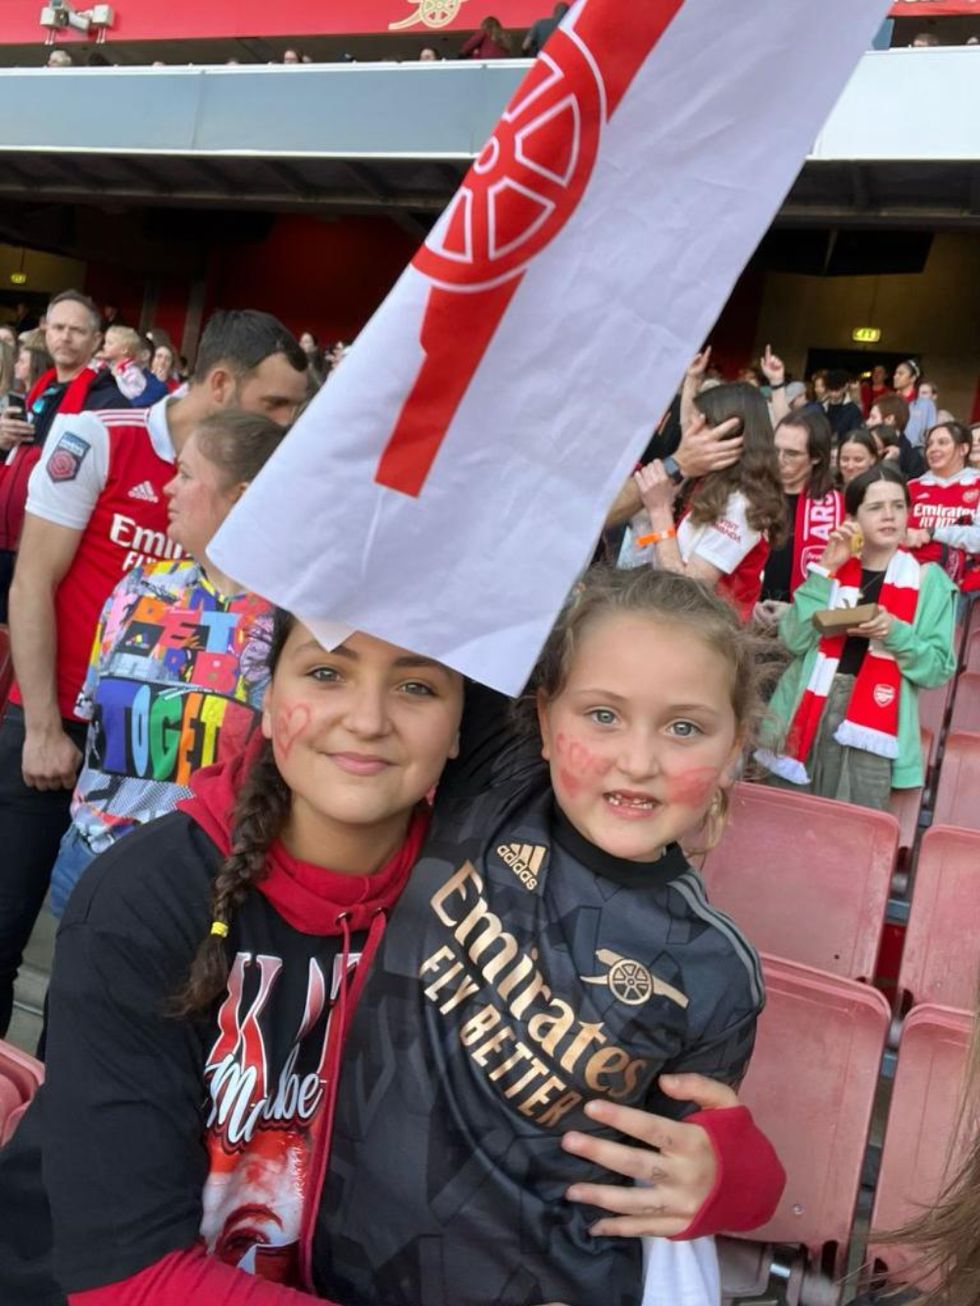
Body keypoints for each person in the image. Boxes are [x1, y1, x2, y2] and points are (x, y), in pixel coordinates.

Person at [0, 588, 784, 1304]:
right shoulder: (147, 896)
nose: (369, 718)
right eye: (326, 673)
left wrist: (734, 1181)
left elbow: (685, 1153)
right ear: (269, 702)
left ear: (460, 727)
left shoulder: (469, 863)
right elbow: (125, 1279)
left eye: (416, 686)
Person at [320, 566, 782, 1304]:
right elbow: (485, 555)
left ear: (735, 750)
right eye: (602, 715)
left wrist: (731, 1178)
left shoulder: (715, 972)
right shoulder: (495, 777)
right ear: (541, 719)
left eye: (685, 727)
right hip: (327, 1261)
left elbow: (686, 1168)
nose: (639, 761)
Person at [0, 309, 308, 1037]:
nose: (289, 424)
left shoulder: (270, 603)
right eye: (274, 404)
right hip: (58, 727)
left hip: (169, 787)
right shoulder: (100, 438)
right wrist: (43, 726)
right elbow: (32, 581)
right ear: (224, 383)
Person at [48, 409, 287, 918]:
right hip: (86, 864)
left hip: (200, 890)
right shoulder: (138, 589)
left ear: (241, 498)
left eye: (185, 474)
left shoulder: (291, 623)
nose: (166, 490)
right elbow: (96, 722)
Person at [758, 464, 956, 810]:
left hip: (875, 719)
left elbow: (937, 668)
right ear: (853, 517)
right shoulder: (833, 567)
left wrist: (894, 632)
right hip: (807, 706)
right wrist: (823, 570)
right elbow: (793, 640)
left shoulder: (927, 579)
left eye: (898, 506)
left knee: (849, 834)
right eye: (876, 507)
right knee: (785, 823)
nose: (890, 515)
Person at [0, 290, 130, 620]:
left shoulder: (109, 402)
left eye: (77, 330)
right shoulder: (41, 387)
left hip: (51, 550)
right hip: (9, 536)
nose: (65, 337)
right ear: (46, 330)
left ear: (97, 339)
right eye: (58, 328)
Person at [629, 382, 786, 620]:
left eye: (700, 426)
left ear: (728, 434)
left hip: (701, 639)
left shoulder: (745, 503)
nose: (690, 435)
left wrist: (659, 511)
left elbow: (687, 592)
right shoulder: (712, 482)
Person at [755, 408, 844, 619]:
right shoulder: (753, 494)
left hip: (801, 623)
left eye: (792, 453)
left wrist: (796, 613)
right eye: (775, 450)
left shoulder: (837, 508)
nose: (779, 459)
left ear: (816, 458)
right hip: (748, 613)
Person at [906, 420, 980, 593]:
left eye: (943, 442)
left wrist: (933, 532)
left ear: (963, 449)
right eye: (929, 444)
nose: (933, 449)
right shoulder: (911, 488)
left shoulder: (977, 484)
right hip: (908, 578)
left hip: (963, 588)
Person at [99, 324, 169, 406]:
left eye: (133, 350)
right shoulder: (106, 369)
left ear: (145, 355)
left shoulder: (156, 388)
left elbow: (131, 407)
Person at [868, 392, 926, 479]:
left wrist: (889, 464)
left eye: (873, 417)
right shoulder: (865, 445)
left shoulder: (913, 456)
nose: (868, 422)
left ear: (889, 419)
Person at [893, 359, 937, 450]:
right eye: (895, 373)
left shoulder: (921, 401)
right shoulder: (891, 399)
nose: (895, 376)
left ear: (912, 378)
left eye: (901, 374)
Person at [822, 368, 864, 441]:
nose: (833, 394)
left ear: (845, 387)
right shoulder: (820, 406)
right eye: (830, 390)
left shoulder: (853, 410)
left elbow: (855, 434)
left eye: (837, 390)